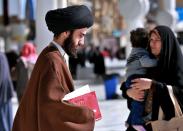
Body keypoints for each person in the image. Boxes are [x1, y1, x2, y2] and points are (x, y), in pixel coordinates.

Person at [12, 5, 95, 131]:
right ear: (66, 32)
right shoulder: (52, 60)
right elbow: (51, 110)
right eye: (80, 35)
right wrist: (88, 112)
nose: (82, 42)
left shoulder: (51, 55)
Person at [121, 25, 183, 131]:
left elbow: (180, 92)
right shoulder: (148, 63)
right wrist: (128, 92)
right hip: (142, 124)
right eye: (151, 40)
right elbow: (129, 83)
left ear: (166, 42)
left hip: (164, 124)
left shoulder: (174, 66)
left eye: (157, 40)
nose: (152, 43)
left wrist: (152, 85)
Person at [124, 28, 157, 131]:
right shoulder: (141, 53)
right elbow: (147, 63)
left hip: (130, 78)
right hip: (136, 77)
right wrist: (158, 61)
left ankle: (130, 121)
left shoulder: (133, 52)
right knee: (139, 100)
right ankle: (136, 123)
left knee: (136, 102)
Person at [0, 52, 14, 131]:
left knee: (4, 123)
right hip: (4, 95)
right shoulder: (2, 56)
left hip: (3, 95)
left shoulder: (0, 57)